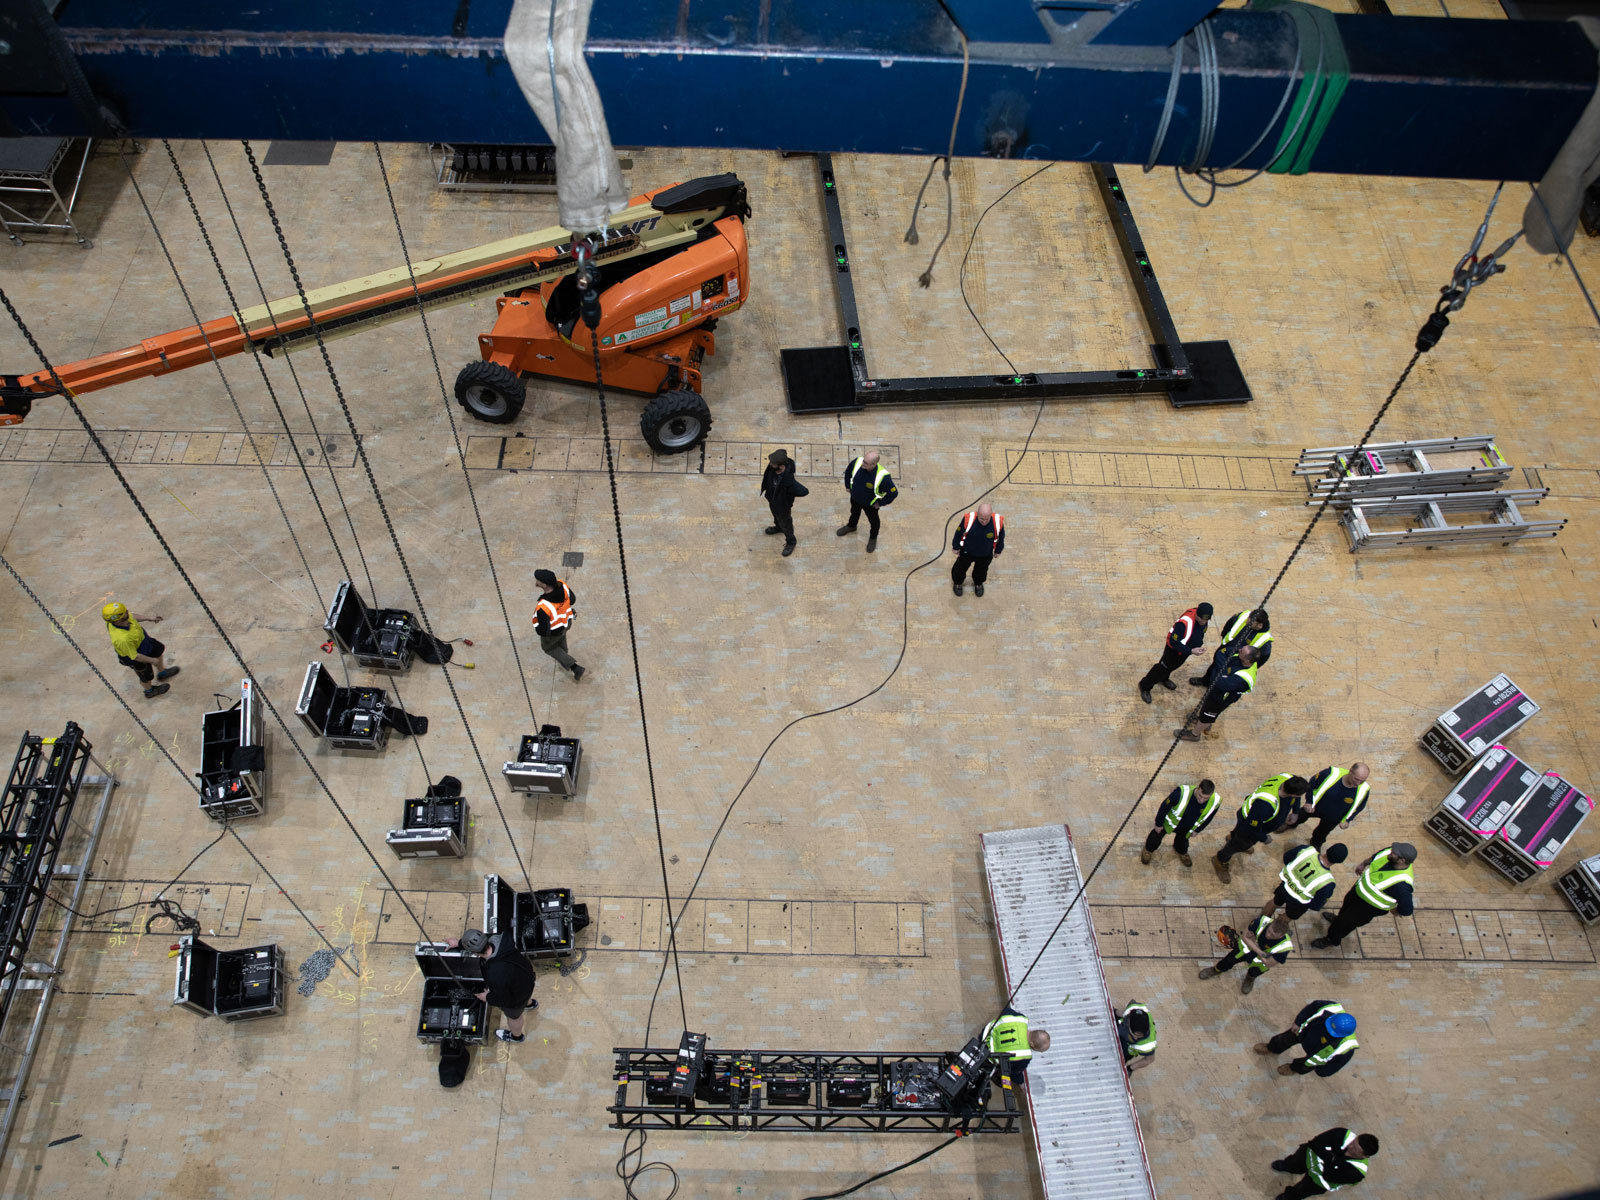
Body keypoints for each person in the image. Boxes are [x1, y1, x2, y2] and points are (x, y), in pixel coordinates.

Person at [1311, 843, 1416, 950]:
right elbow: (1376, 856)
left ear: (1402, 860)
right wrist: (1364, 863)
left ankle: (1332, 939)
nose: (1391, 852)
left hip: (1367, 908)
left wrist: (1395, 910)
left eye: (1394, 853)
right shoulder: (1390, 853)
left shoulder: (1402, 884)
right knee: (1345, 910)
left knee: (1345, 924)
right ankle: (1339, 919)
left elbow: (1407, 909)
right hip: (1357, 892)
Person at [1211, 773, 1308, 884]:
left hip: (1253, 820)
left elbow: (1296, 799)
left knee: (1238, 838)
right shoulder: (1265, 805)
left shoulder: (1288, 778)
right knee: (1238, 844)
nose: (1299, 797)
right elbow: (1252, 828)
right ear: (1293, 794)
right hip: (1248, 827)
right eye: (1299, 795)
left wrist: (1295, 812)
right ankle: (1220, 859)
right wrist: (1264, 838)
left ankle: (1233, 837)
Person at [452, 927, 537, 1043]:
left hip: (516, 997)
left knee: (514, 1017)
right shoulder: (500, 938)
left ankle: (516, 1036)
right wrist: (458, 943)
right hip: (527, 978)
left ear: (475, 953)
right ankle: (530, 1004)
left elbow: (505, 1000)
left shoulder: (495, 973)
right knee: (524, 996)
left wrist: (487, 997)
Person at [1175, 644, 1257, 742]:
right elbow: (1221, 652)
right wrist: (1223, 672)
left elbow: (1220, 684)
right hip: (1216, 691)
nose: (1238, 650)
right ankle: (1203, 721)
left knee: (1208, 715)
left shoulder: (1243, 678)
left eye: (1241, 652)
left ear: (1248, 660)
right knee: (1205, 711)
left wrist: (1220, 671)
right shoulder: (1240, 657)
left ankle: (1195, 734)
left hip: (1220, 699)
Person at [1255, 1001, 1358, 1078]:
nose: (1327, 1030)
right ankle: (1271, 1048)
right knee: (1283, 1040)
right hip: (1303, 1032)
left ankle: (1292, 1068)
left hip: (1315, 1053)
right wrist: (1298, 1022)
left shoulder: (1347, 1048)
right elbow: (1311, 1007)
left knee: (1303, 1066)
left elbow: (1337, 1064)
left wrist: (1322, 1071)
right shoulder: (1331, 1008)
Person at [102, 601, 180, 699]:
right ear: (118, 620)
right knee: (145, 676)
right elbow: (135, 656)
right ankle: (149, 691)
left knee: (158, 651)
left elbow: (132, 616)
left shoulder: (123, 617)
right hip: (136, 656)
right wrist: (152, 660)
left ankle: (162, 673)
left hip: (144, 642)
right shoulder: (122, 639)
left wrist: (148, 618)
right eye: (125, 613)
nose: (127, 612)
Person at [1271, 1128, 1379, 1198]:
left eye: (1355, 1149)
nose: (1350, 1147)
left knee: (1302, 1190)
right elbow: (1314, 1143)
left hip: (1318, 1182)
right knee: (1296, 1161)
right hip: (1308, 1156)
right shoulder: (1341, 1134)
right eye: (1353, 1143)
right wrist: (1331, 1160)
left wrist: (1328, 1156)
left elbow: (1329, 1176)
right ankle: (1290, 1166)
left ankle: (1290, 1196)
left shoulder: (1357, 1172)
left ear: (1365, 1156)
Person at [1199, 914, 1292, 995]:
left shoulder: (1284, 947)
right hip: (1243, 951)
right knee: (1227, 961)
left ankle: (1250, 979)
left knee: (1255, 972)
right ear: (1271, 924)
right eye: (1269, 931)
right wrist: (1261, 952)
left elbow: (1268, 963)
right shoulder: (1261, 921)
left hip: (1259, 964)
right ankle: (1216, 970)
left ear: (1281, 936)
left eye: (1273, 935)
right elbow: (1245, 937)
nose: (1268, 935)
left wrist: (1253, 943)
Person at [1139, 601, 1211, 703]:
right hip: (1173, 651)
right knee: (1161, 668)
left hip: (1185, 652)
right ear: (1197, 615)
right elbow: (1173, 642)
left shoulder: (1204, 621)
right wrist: (1191, 650)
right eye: (1202, 619)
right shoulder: (1183, 623)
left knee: (1173, 666)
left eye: (1206, 619)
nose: (1204, 622)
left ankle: (1164, 678)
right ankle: (1145, 686)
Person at [1141, 778, 1221, 867]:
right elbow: (1164, 807)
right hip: (1169, 823)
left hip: (1187, 827)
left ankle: (1181, 851)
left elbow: (1208, 817)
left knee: (1182, 842)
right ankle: (1148, 850)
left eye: (1205, 798)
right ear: (1198, 788)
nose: (1201, 800)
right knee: (1156, 836)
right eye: (1200, 796)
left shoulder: (1215, 802)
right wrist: (1158, 823)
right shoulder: (1180, 794)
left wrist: (1198, 830)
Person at [1261, 842, 1349, 921]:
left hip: (1285, 886)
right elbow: (1316, 905)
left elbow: (1287, 857)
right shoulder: (1327, 882)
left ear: (1328, 849)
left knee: (1274, 902)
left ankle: (1261, 921)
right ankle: (1276, 928)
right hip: (1298, 903)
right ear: (1338, 862)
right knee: (1288, 917)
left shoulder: (1307, 850)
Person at [1292, 763, 1372, 850]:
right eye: (1356, 779)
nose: (1358, 783)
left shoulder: (1364, 789)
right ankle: (1291, 824)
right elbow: (1312, 783)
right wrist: (1309, 802)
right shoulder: (1330, 774)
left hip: (1334, 817)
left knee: (1322, 833)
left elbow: (1359, 807)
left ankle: (1315, 844)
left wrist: (1348, 820)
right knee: (1299, 816)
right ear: (1350, 771)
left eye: (1362, 781)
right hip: (1314, 807)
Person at [1192, 607, 1272, 686]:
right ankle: (1206, 680)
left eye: (1251, 621)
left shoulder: (1264, 640)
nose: (1247, 621)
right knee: (1215, 665)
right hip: (1225, 650)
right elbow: (1229, 624)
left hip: (1238, 660)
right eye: (1249, 618)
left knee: (1226, 676)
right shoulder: (1243, 616)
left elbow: (1263, 657)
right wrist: (1224, 637)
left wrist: (1247, 663)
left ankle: (1216, 687)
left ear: (1260, 625)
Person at [835, 450, 896, 552]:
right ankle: (852, 526)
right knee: (854, 513)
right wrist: (847, 486)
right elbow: (848, 472)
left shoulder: (883, 477)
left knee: (874, 522)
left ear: (874, 464)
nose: (863, 464)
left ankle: (873, 537)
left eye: (866, 463)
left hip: (870, 505)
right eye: (864, 460)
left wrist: (880, 503)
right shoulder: (857, 462)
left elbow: (893, 493)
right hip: (855, 498)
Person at [532, 569, 585, 681]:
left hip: (554, 631)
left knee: (549, 648)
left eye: (538, 580)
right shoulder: (563, 585)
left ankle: (575, 667)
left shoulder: (544, 606)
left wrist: (537, 628)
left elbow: (544, 631)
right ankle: (563, 654)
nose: (536, 580)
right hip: (566, 622)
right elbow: (573, 599)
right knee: (561, 638)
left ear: (544, 585)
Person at [981, 1005, 1050, 1087]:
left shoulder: (1020, 1019)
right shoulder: (1023, 1056)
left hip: (985, 1033)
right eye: (1039, 1050)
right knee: (1004, 1073)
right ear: (1032, 1044)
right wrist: (1021, 1081)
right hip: (986, 1053)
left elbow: (1006, 1010)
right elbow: (1013, 1073)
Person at [760, 448, 809, 557]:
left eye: (772, 463)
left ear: (781, 466)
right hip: (772, 500)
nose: (770, 464)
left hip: (783, 506)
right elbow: (782, 450)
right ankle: (778, 527)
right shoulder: (772, 468)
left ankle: (791, 541)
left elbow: (804, 491)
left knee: (786, 524)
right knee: (776, 517)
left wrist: (790, 496)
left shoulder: (788, 480)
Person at [951, 503, 1005, 597]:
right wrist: (955, 547)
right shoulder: (969, 519)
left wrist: (998, 550)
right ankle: (958, 583)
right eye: (981, 519)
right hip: (967, 552)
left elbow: (1001, 537)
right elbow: (958, 532)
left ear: (991, 515)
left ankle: (978, 583)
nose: (984, 522)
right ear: (977, 514)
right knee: (960, 568)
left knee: (981, 571)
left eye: (986, 519)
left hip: (985, 554)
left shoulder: (997, 522)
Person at [1117, 1001, 1157, 1074]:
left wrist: (1130, 1069)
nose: (1136, 1038)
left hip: (1126, 1050)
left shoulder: (1147, 1045)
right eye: (1136, 1034)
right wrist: (1115, 1012)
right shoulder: (1134, 1008)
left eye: (1139, 1035)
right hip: (1120, 1029)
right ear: (1129, 1023)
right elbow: (1123, 1011)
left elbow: (1149, 1059)